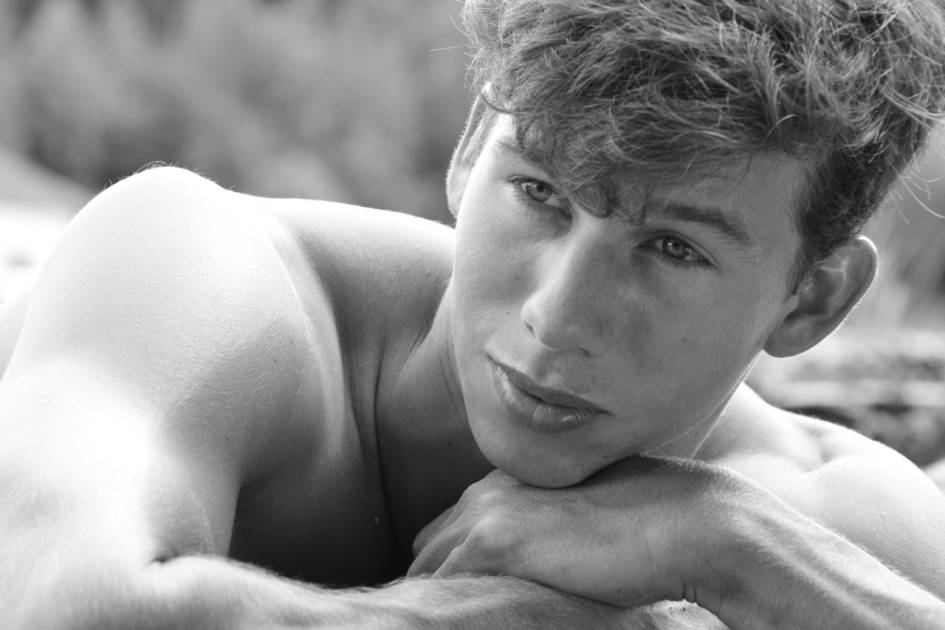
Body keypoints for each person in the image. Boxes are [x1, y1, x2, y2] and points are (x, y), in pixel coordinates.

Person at [2, 0, 945, 628]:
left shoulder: (815, 524)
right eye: (539, 193)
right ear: (469, 152)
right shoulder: (208, 277)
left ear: (812, 297)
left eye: (673, 249)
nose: (556, 318)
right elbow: (59, 607)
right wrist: (506, 617)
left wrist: (727, 551)